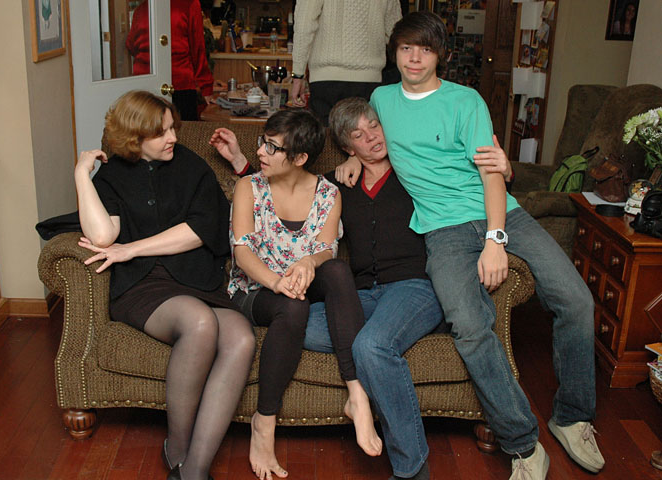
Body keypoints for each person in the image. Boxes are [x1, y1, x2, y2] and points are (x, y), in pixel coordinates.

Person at [340, 11, 605, 480]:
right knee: (468, 324)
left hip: (502, 214)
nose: (414, 58)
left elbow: (492, 174)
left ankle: (572, 416)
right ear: (394, 53)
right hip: (442, 230)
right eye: (406, 48)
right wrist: (351, 158)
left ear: (440, 55)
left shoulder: (466, 101)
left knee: (576, 300)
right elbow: (362, 135)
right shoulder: (382, 100)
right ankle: (523, 444)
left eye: (424, 49)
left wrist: (495, 239)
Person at [220, 97, 513, 480]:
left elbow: (470, 184)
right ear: (346, 147)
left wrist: (505, 172)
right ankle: (381, 358)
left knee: (369, 344)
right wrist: (243, 162)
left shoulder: (414, 172)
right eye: (358, 135)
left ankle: (408, 467)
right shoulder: (340, 182)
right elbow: (269, 193)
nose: (371, 137)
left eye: (374, 126)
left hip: (412, 287)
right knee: (299, 322)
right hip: (357, 296)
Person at [74, 90, 256, 480]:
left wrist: (132, 248)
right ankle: (177, 450)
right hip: (143, 286)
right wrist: (81, 175)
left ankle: (193, 470)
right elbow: (103, 236)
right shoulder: (112, 176)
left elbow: (200, 229)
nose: (173, 137)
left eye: (172, 128)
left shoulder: (191, 166)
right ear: (134, 136)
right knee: (200, 323)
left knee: (242, 337)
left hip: (196, 278)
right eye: (161, 133)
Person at [209, 109, 381, 480]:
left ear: (300, 157)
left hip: (301, 282)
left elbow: (326, 250)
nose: (261, 152)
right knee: (293, 306)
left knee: (336, 270)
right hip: (255, 290)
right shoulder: (249, 187)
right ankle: (263, 421)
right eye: (263, 142)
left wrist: (308, 262)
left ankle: (357, 393)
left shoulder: (328, 194)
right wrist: (276, 282)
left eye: (272, 147)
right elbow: (242, 252)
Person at [289, 0, 402, 125]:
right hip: (370, 79)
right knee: (364, 133)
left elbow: (304, 24)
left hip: (326, 78)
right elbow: (396, 32)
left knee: (326, 134)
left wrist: (298, 74)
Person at [126, 0, 214, 120]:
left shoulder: (142, 8)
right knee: (183, 129)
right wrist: (206, 87)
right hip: (178, 84)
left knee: (146, 129)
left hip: (144, 83)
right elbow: (197, 48)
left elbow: (131, 45)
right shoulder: (189, 4)